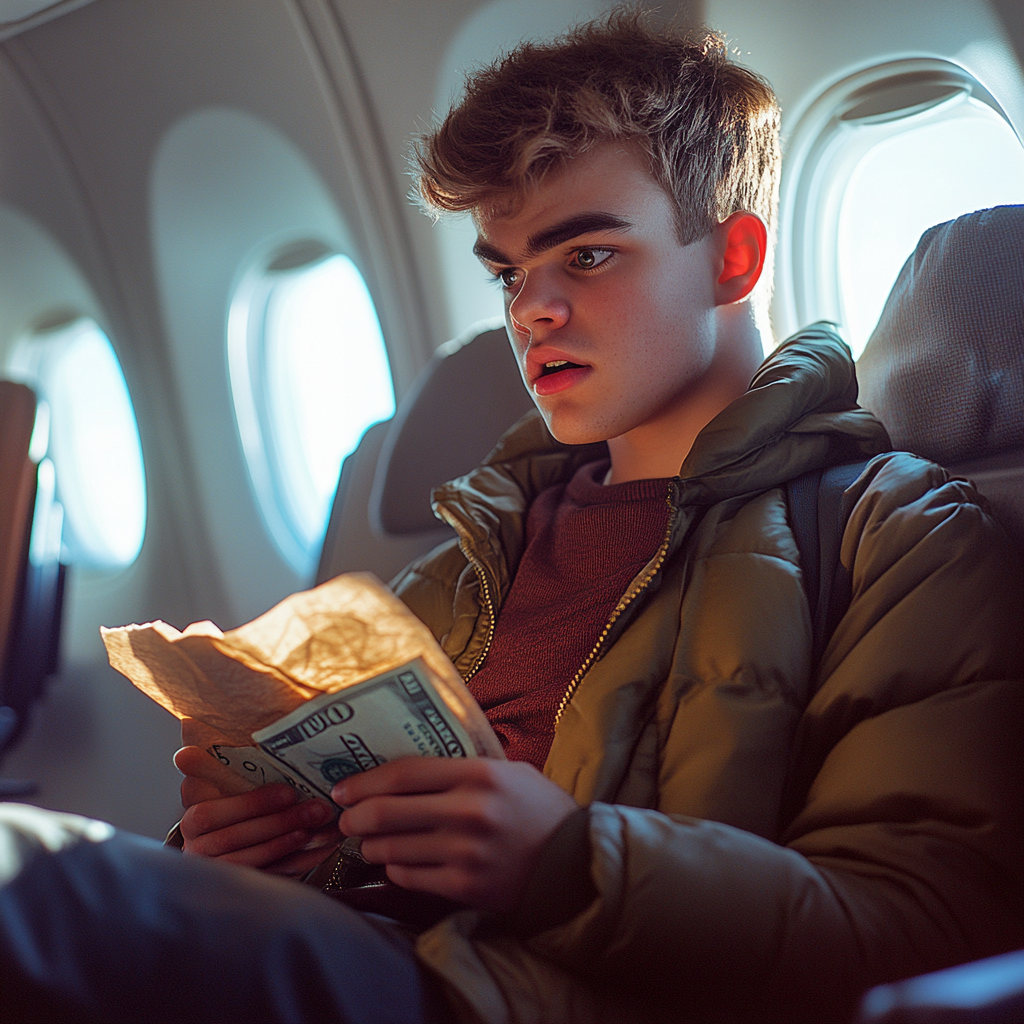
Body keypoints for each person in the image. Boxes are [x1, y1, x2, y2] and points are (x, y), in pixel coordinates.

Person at [2, 13, 1021, 1024]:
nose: (529, 308)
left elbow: (928, 929)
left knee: (31, 886)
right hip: (368, 956)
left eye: (583, 255)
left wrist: (569, 866)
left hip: (518, 995)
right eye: (506, 270)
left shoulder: (888, 537)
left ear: (733, 260)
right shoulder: (458, 567)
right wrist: (246, 855)